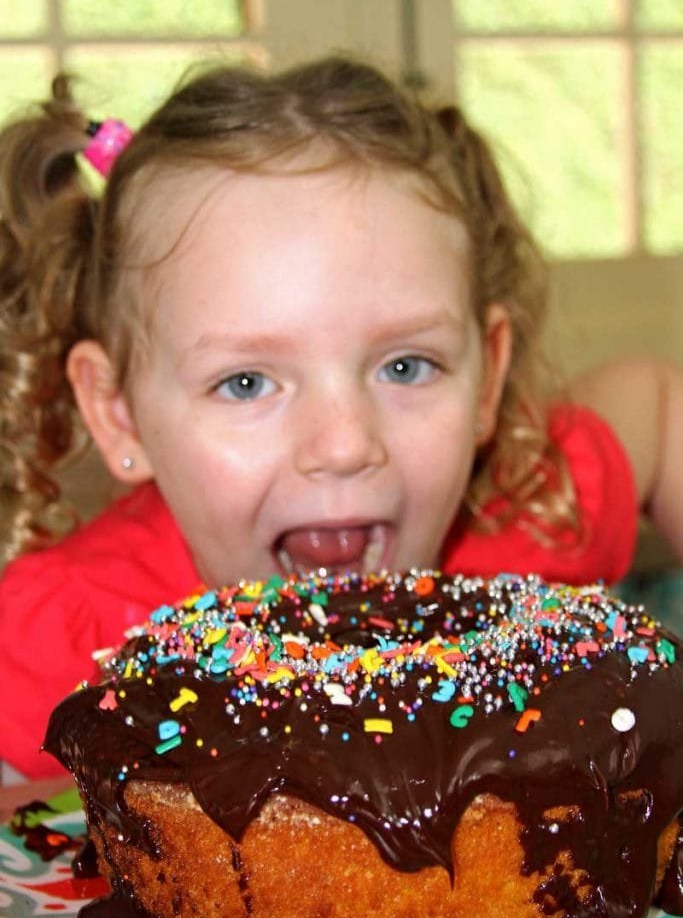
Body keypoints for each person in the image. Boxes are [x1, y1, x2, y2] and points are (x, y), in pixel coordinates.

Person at [0, 57, 680, 782]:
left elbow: (655, 405)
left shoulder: (528, 522)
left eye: (404, 367)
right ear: (119, 414)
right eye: (245, 382)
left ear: (485, 377)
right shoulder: (59, 642)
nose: (344, 445)